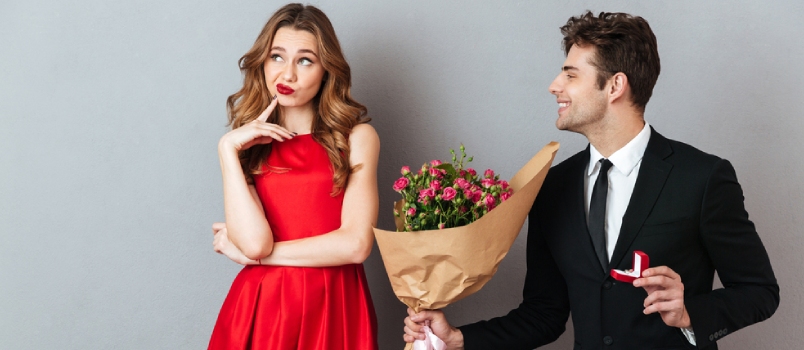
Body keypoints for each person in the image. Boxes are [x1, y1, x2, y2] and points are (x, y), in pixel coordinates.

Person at [404, 11, 778, 350]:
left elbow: (760, 292)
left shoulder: (702, 177)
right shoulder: (552, 187)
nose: (554, 86)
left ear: (615, 86)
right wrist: (459, 339)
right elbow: (544, 313)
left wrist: (690, 312)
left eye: (570, 74)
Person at [207, 4, 379, 349]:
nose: (287, 74)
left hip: (335, 304)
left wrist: (255, 259)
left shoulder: (357, 138)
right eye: (277, 57)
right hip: (262, 308)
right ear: (263, 63)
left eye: (305, 60)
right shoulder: (248, 146)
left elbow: (356, 245)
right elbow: (256, 242)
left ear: (326, 70)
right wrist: (227, 151)